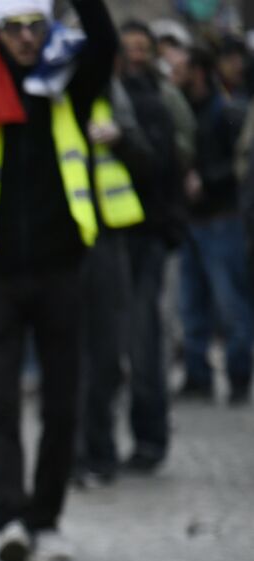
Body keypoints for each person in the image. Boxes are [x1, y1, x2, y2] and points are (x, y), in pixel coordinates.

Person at [0, 0, 117, 561]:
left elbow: (104, 43)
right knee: (1, 404)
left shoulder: (68, 84)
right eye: (15, 28)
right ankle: (10, 520)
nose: (28, 38)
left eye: (37, 26)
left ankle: (48, 521)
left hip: (61, 268)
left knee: (63, 404)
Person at [117, 20, 193, 472]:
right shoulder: (108, 95)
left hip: (147, 235)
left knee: (145, 341)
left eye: (143, 48)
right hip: (115, 235)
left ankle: (150, 437)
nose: (136, 55)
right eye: (129, 48)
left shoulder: (160, 100)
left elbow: (171, 163)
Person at [72, 80, 150, 487]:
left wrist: (118, 138)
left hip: (105, 240)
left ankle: (98, 450)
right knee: (66, 358)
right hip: (61, 243)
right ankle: (73, 454)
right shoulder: (43, 98)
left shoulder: (108, 96)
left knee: (106, 354)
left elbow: (145, 157)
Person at [178, 44, 252, 405]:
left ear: (199, 71)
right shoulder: (182, 108)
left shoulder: (227, 111)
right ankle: (198, 376)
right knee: (191, 305)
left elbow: (240, 166)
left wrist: (206, 181)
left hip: (223, 219)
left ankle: (239, 377)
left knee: (231, 303)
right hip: (191, 221)